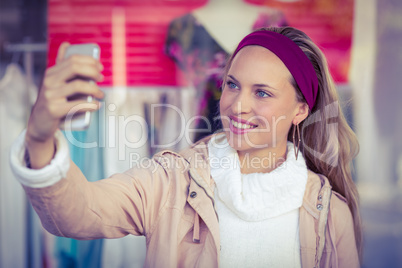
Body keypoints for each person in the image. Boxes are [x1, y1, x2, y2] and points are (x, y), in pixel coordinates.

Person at [10, 26, 362, 267]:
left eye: (262, 93)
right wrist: (40, 139)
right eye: (232, 85)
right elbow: (77, 214)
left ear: (300, 110)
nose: (237, 106)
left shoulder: (329, 217)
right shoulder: (170, 181)